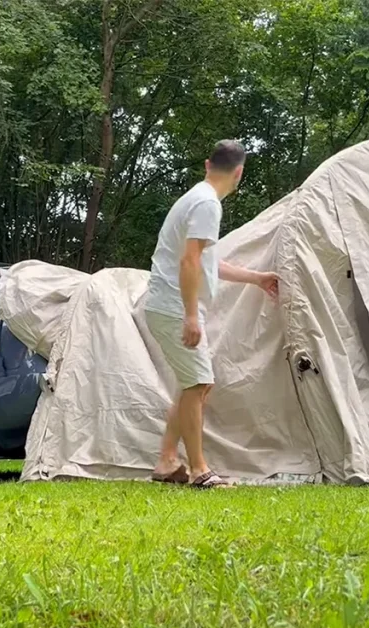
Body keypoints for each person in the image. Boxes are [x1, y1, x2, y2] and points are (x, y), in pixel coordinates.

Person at [144, 140, 278, 488]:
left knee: (194, 387)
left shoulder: (197, 198)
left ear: (207, 164)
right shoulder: (206, 204)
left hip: (168, 304)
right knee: (199, 383)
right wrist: (190, 315)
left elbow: (206, 263)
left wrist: (257, 279)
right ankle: (200, 470)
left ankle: (166, 461)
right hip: (173, 306)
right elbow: (189, 261)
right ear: (239, 173)